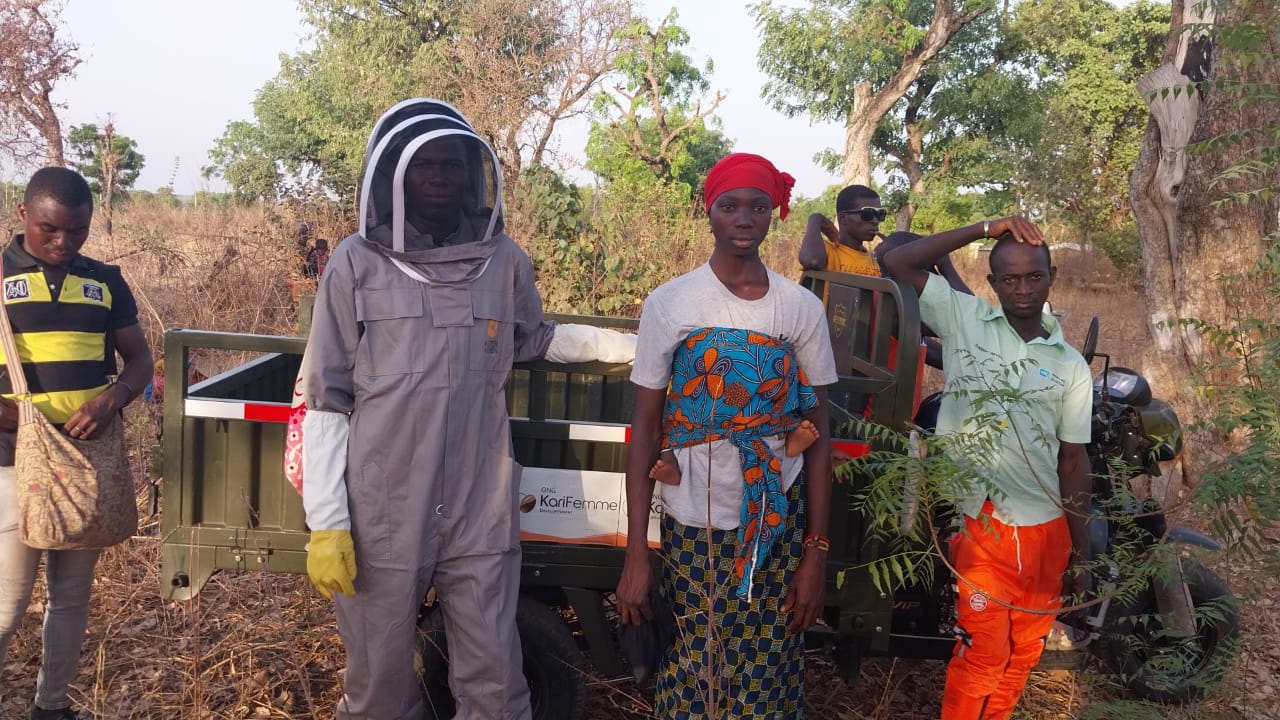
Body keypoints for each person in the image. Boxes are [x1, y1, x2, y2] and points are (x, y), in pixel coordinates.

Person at [298, 99, 557, 720]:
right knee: (379, 684)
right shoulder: (354, 264)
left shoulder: (505, 260)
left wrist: (643, 348)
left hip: (479, 498)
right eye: (425, 166)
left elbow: (536, 340)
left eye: (452, 165)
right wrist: (328, 521)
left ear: (475, 175)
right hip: (383, 504)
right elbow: (326, 398)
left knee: (496, 678)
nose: (439, 177)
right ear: (393, 174)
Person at [616, 153, 838, 718]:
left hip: (774, 522)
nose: (744, 218)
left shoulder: (799, 309)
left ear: (774, 214)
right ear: (708, 211)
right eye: (730, 205)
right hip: (693, 524)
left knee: (767, 669)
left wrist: (815, 552)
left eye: (758, 206)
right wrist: (637, 553)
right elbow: (646, 423)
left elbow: (819, 431)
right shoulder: (671, 303)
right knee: (694, 669)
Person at [881, 217, 1093, 720]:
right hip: (984, 525)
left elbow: (1073, 459)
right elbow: (896, 260)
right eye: (1010, 279)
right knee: (982, 654)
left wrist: (1081, 552)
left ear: (1052, 276)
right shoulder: (964, 318)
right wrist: (984, 227)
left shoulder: (1070, 366)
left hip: (1048, 532)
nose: (1022, 289)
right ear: (993, 282)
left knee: (1024, 653)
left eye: (1034, 277)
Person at [0, 167, 152, 720]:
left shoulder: (104, 281)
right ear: (23, 216)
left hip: (88, 462)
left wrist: (111, 402)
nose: (65, 243)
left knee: (70, 598)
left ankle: (51, 706)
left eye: (78, 231)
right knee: (7, 605)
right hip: (11, 464)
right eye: (50, 230)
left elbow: (139, 361)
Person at [798, 184, 885, 276]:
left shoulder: (874, 261)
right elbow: (812, 261)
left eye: (880, 214)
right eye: (868, 213)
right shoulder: (827, 251)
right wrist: (815, 219)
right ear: (843, 218)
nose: (875, 221)